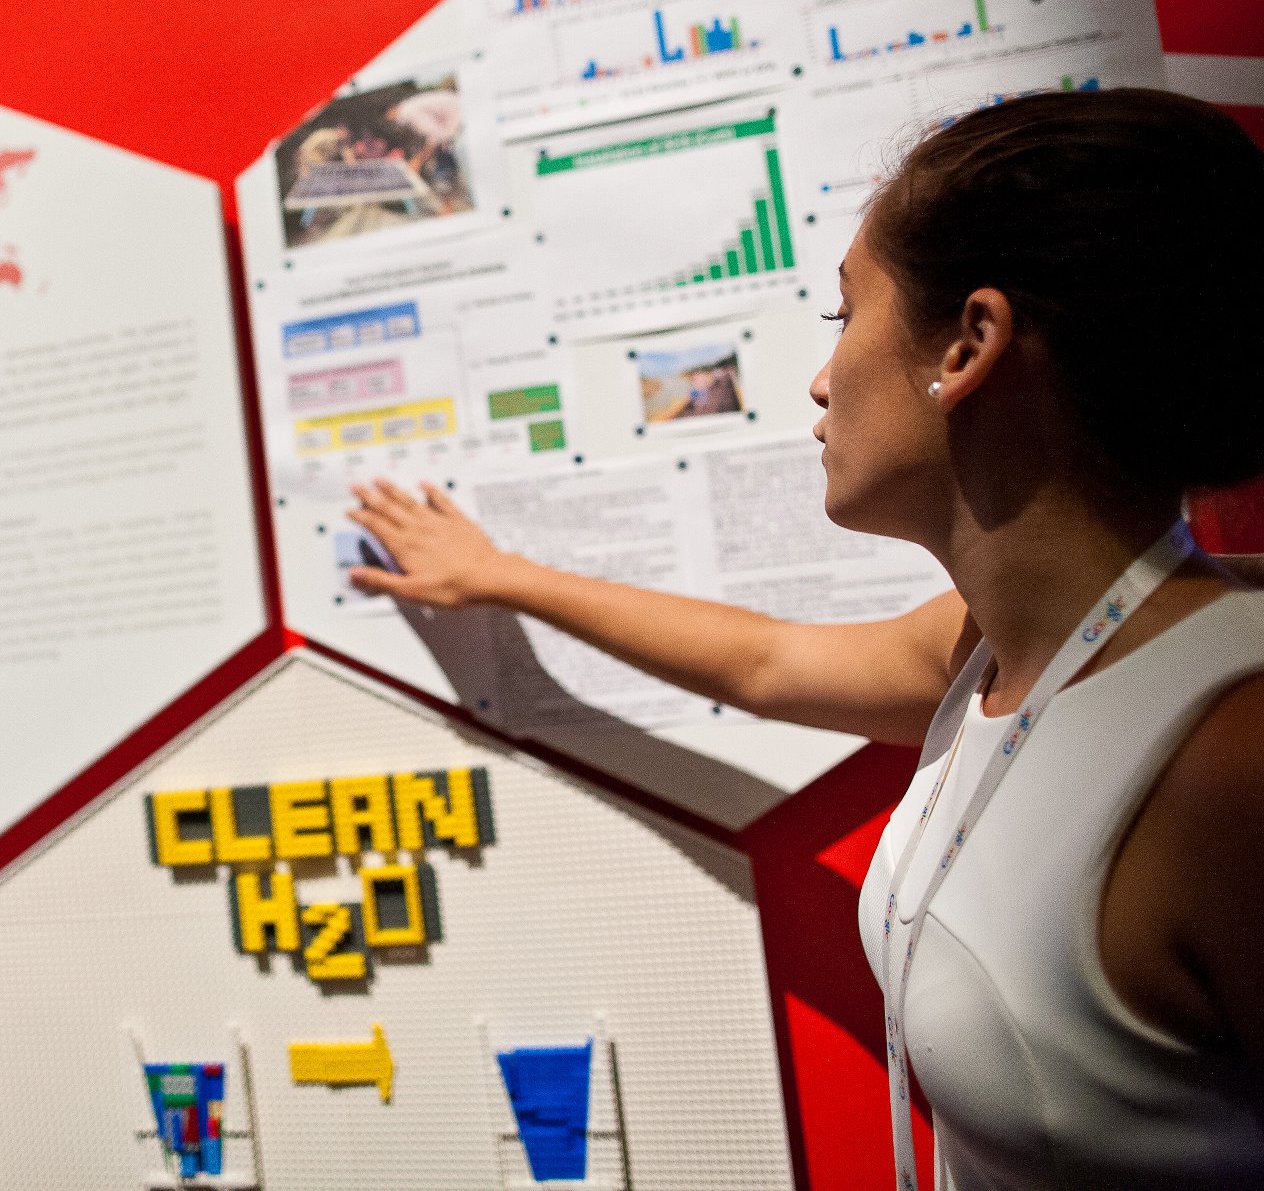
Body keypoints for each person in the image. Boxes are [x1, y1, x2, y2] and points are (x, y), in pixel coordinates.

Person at [349, 89, 1264, 1188]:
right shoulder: (994, 647)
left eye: (843, 318)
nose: (821, 379)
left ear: (967, 345)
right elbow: (764, 661)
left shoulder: (1230, 758)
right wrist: (502, 578)